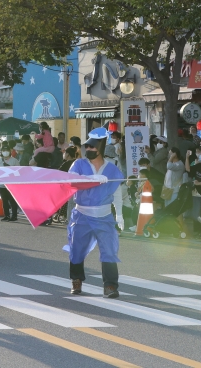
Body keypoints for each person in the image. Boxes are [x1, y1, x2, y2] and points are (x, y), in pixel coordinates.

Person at [67, 127, 124, 298]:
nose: (88, 150)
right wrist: (90, 179)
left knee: (109, 250)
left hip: (104, 215)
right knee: (77, 249)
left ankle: (110, 286)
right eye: (87, 147)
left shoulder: (112, 168)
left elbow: (117, 193)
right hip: (82, 214)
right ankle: (76, 281)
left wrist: (119, 214)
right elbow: (70, 181)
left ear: (100, 148)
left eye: (92, 147)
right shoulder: (78, 164)